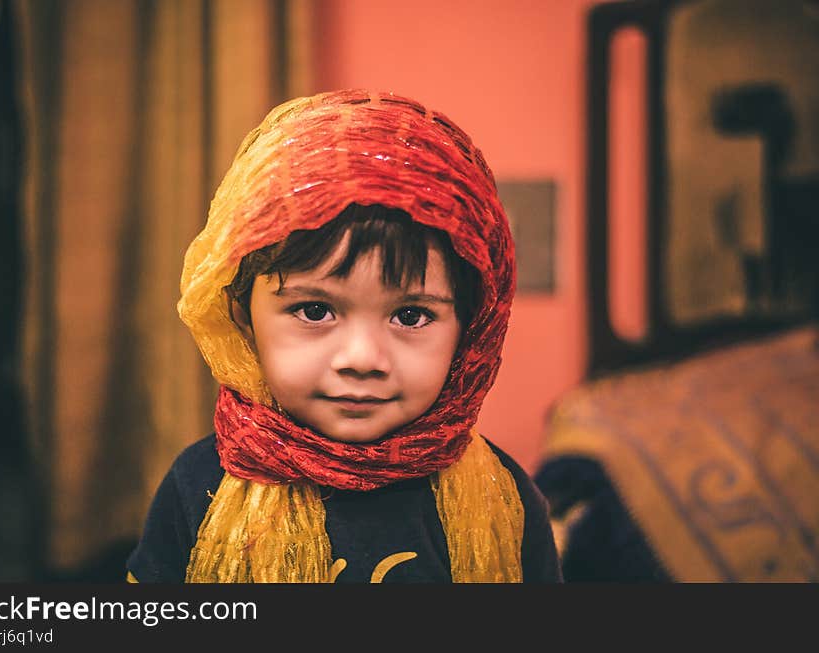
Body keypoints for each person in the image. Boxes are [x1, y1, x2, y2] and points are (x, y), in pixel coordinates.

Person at [125, 89, 562, 583]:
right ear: (241, 314)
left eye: (411, 316)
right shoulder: (198, 486)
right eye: (315, 310)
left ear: (472, 331)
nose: (361, 358)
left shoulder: (505, 498)